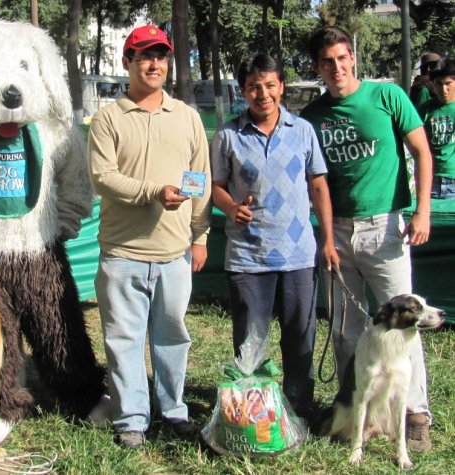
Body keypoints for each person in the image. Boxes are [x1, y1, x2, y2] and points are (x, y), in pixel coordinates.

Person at [300, 26, 434, 451]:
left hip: (386, 228)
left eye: (342, 58)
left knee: (404, 327)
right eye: (327, 61)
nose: (336, 67)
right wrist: (324, 235)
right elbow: (313, 180)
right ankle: (360, 414)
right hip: (336, 232)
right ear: (318, 67)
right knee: (346, 332)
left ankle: (415, 415)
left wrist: (423, 210)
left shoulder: (387, 96)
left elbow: (422, 151)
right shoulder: (312, 116)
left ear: (352, 58)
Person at [87, 25, 212, 449]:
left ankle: (173, 410)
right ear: (128, 62)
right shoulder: (108, 118)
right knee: (124, 340)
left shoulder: (187, 117)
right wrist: (153, 192)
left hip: (175, 253)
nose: (154, 64)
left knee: (173, 337)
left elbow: (200, 179)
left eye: (161, 56)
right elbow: (103, 178)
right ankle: (131, 420)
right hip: (122, 253)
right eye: (145, 56)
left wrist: (200, 235)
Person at [210, 54, 339, 421]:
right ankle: (252, 415)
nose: (262, 94)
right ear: (243, 91)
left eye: (269, 85)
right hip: (248, 257)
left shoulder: (303, 131)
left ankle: (299, 410)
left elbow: (318, 186)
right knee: (250, 342)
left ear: (281, 87)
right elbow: (215, 187)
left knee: (300, 336)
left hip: (299, 255)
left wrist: (328, 240)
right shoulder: (228, 136)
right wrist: (231, 207)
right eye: (254, 87)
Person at [417, 58, 455, 199]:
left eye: (448, 84)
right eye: (439, 84)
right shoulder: (425, 109)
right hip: (431, 180)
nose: (444, 90)